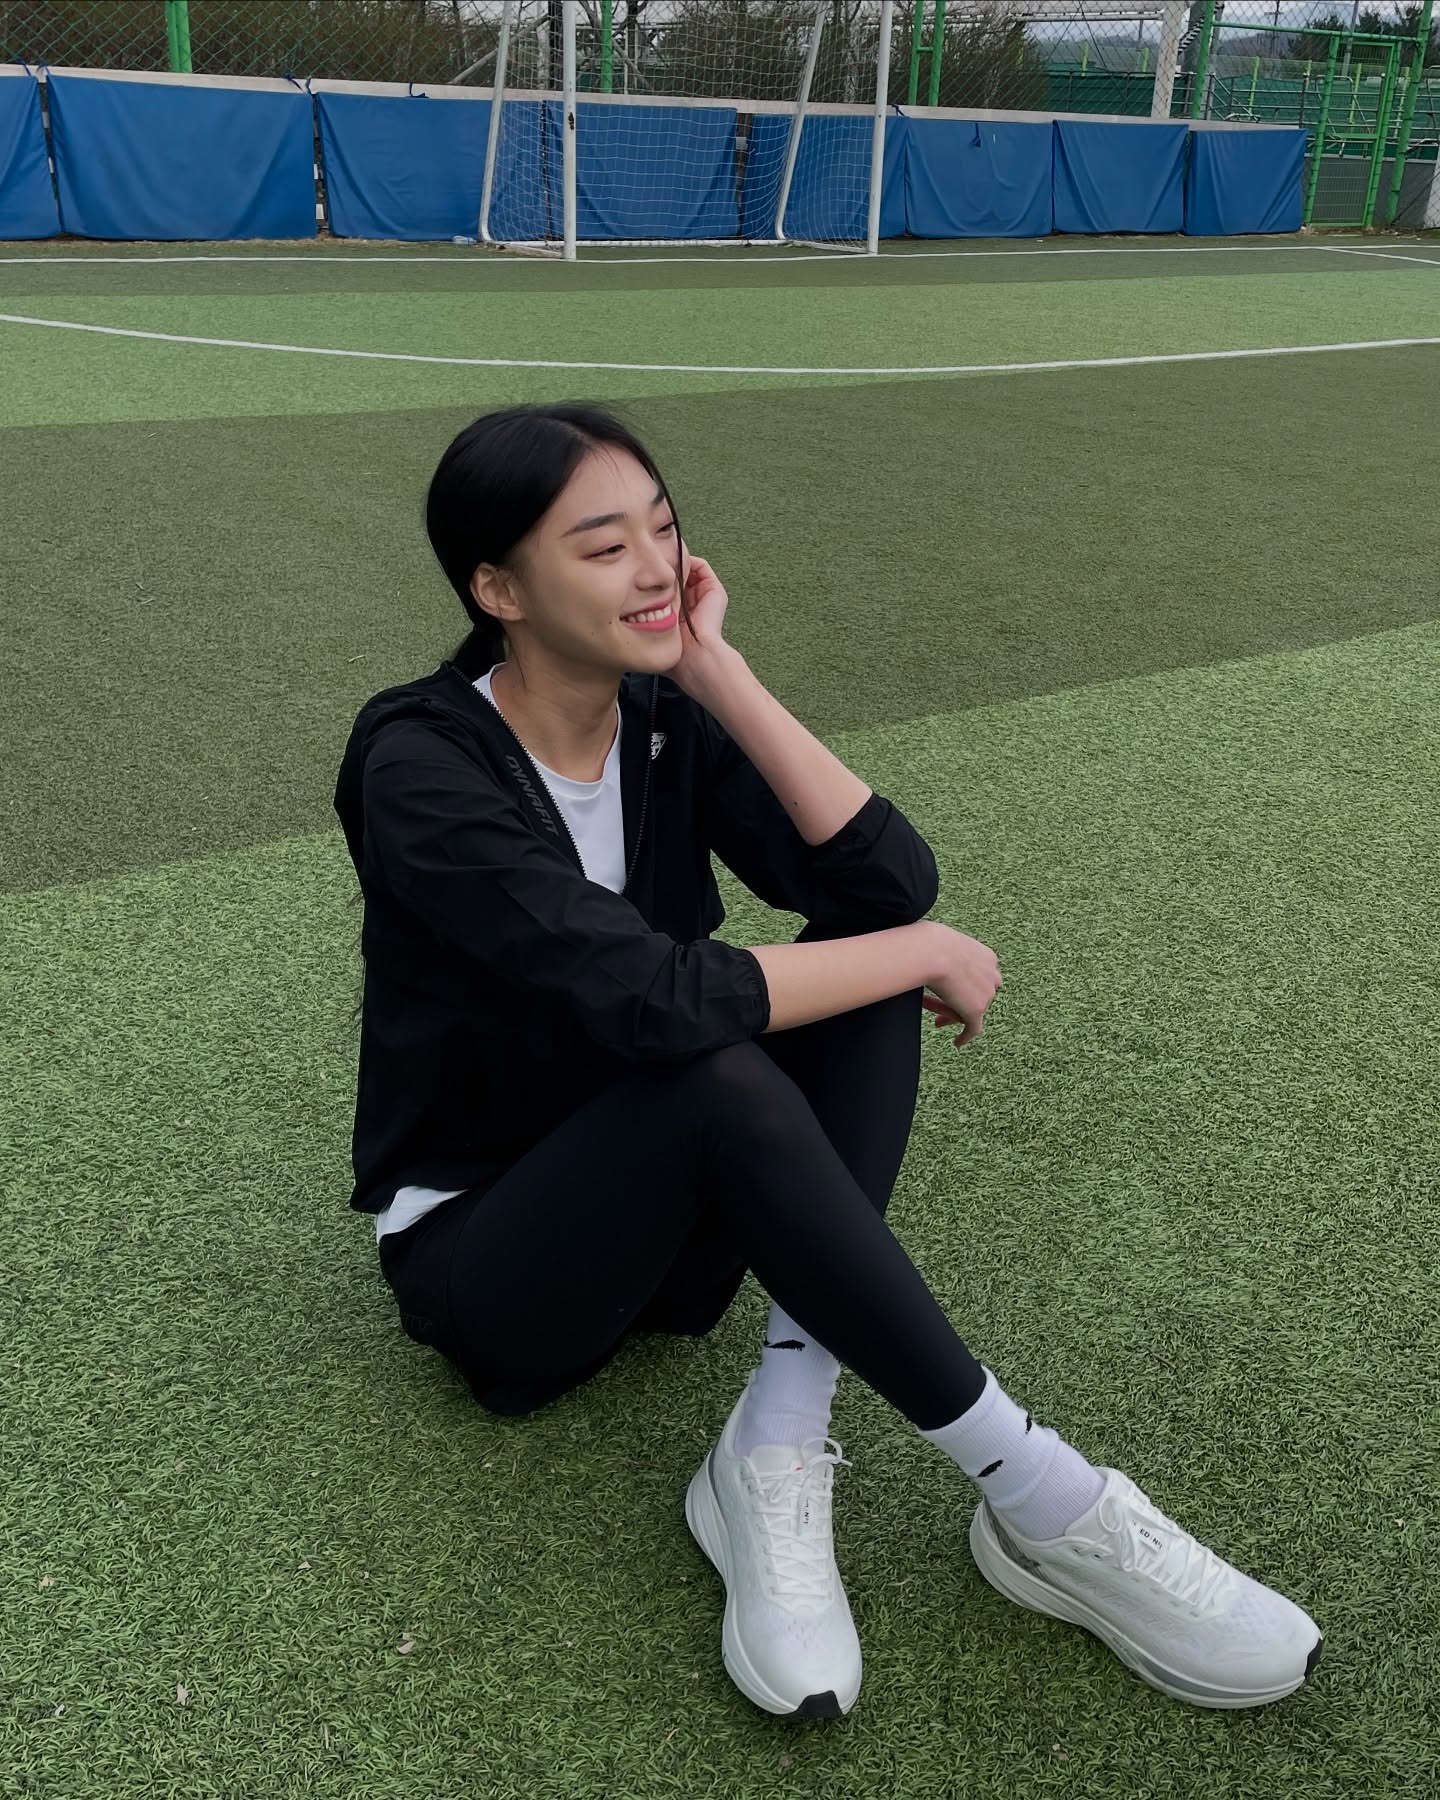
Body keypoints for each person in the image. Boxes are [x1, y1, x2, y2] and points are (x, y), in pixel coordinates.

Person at [333, 403, 1322, 1721]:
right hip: (498, 1266)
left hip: (674, 1228)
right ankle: (1047, 1501)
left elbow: (884, 884)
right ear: (497, 589)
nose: (653, 566)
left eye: (665, 530)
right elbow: (649, 1001)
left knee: (862, 962)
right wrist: (917, 948)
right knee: (731, 1045)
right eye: (604, 546)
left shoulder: (660, 720)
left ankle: (775, 1441)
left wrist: (717, 674)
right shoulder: (419, 762)